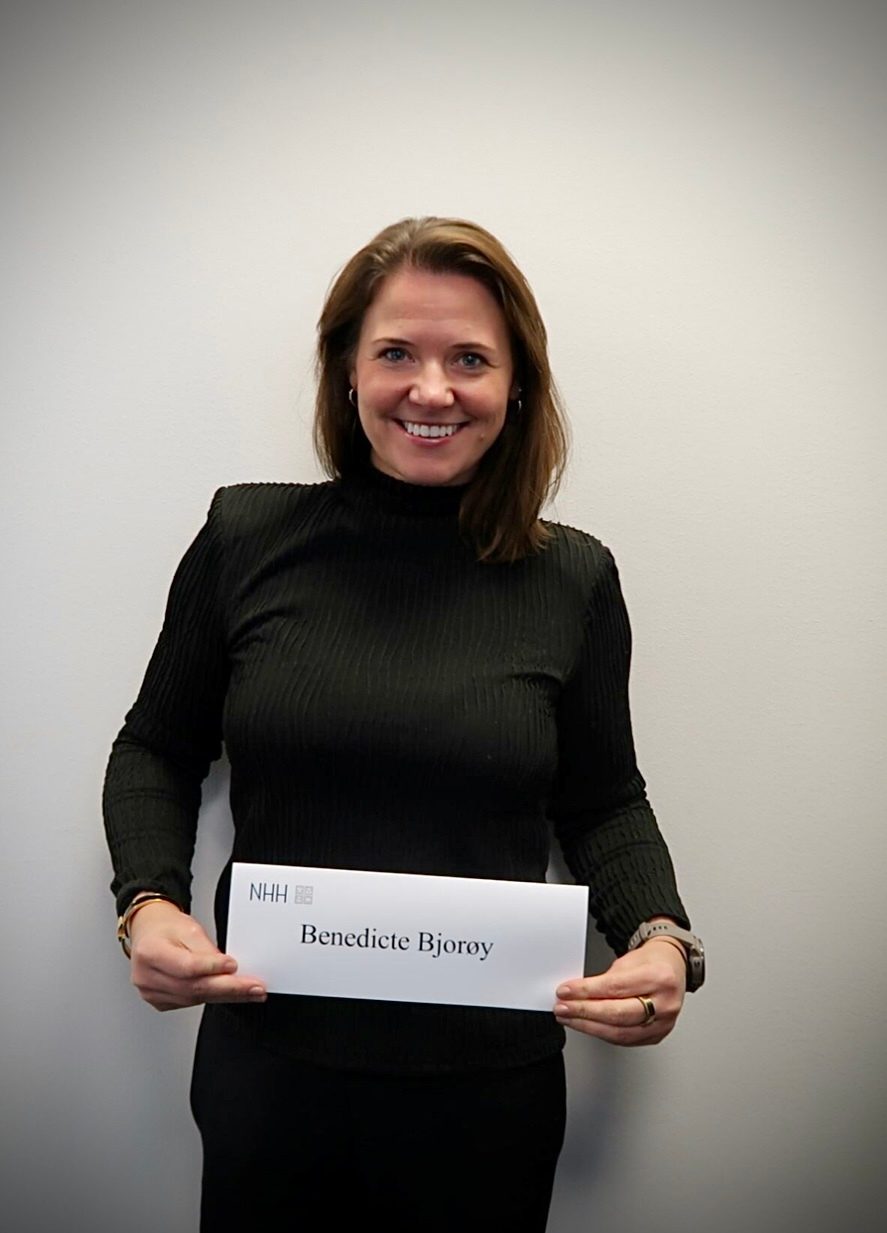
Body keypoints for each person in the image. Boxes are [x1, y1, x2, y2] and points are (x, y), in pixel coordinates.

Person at [103, 216, 704, 1232]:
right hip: (271, 1075)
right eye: (395, 354)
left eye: (468, 358)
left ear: (517, 385)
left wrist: (663, 939)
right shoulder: (246, 535)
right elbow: (155, 749)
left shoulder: (572, 576)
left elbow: (603, 800)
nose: (431, 390)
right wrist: (147, 904)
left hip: (487, 1097)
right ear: (346, 372)